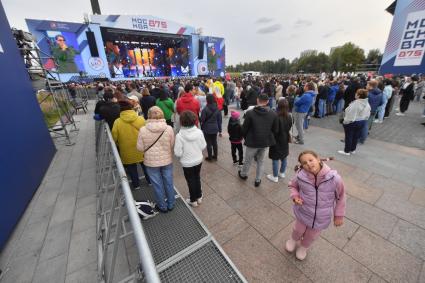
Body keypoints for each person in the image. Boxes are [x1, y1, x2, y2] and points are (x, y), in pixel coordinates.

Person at [286, 150, 346, 260]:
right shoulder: (300, 176)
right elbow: (292, 186)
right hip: (304, 212)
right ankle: (293, 239)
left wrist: (339, 216)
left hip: (321, 217)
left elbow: (341, 197)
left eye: (310, 160)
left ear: (318, 159)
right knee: (297, 230)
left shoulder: (334, 178)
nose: (308, 164)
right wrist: (295, 197)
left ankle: (303, 247)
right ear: (302, 166)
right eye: (304, 163)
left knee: (311, 236)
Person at [136, 106, 175, 212]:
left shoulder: (143, 130)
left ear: (148, 115)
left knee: (157, 184)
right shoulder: (169, 128)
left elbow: (139, 148)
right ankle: (171, 203)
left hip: (151, 162)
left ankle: (162, 206)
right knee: (168, 182)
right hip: (166, 160)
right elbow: (171, 144)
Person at [238, 93, 279, 187]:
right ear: (268, 101)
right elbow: (275, 130)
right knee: (261, 161)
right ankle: (258, 179)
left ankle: (244, 174)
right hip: (265, 142)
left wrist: (246, 137)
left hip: (252, 141)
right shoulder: (273, 114)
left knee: (248, 160)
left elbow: (244, 129)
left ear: (257, 100)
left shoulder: (250, 113)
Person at [112, 100, 151, 190]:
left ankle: (136, 185)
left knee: (132, 168)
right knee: (145, 165)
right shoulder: (141, 119)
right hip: (142, 147)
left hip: (127, 150)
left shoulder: (117, 122)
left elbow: (114, 137)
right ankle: (150, 181)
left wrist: (119, 143)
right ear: (131, 108)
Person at [174, 111, 207, 207]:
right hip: (198, 160)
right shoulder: (199, 132)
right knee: (197, 177)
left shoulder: (179, 136)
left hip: (187, 163)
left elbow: (178, 153)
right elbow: (203, 145)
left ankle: (193, 200)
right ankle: (199, 196)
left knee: (190, 180)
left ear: (181, 122)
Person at [338, 89, 371, 156]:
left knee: (349, 136)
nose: (355, 94)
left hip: (353, 122)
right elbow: (368, 113)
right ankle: (353, 149)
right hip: (362, 121)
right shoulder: (366, 103)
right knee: (355, 136)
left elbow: (350, 114)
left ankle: (346, 151)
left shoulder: (356, 103)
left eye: (356, 93)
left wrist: (345, 121)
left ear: (359, 95)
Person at [266, 99, 292, 183]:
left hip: (276, 140)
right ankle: (282, 173)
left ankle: (275, 176)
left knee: (275, 158)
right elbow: (289, 127)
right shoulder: (289, 116)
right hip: (285, 139)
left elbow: (275, 130)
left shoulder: (276, 116)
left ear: (278, 106)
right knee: (284, 156)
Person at [359, 80, 382, 144]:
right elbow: (381, 103)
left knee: (363, 126)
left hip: (365, 111)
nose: (366, 86)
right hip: (373, 111)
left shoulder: (367, 93)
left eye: (367, 85)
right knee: (366, 125)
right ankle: (362, 139)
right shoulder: (380, 93)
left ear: (370, 86)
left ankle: (361, 139)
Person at [200, 94, 222, 161]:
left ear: (207, 100)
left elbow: (202, 120)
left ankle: (210, 157)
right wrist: (220, 129)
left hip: (207, 128)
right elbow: (219, 120)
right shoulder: (218, 109)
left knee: (208, 143)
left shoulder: (205, 109)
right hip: (215, 128)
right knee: (214, 142)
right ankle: (215, 156)